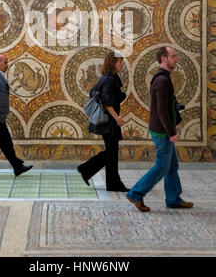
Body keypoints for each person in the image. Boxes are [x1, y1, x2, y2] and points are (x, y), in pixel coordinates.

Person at [126, 46, 194, 212]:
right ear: (164, 58)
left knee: (171, 165)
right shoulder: (162, 80)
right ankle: (136, 193)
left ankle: (173, 198)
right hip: (162, 131)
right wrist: (171, 132)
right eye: (173, 56)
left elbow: (163, 105)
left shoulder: (162, 78)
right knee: (162, 165)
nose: (176, 59)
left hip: (160, 129)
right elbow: (162, 110)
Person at [77, 51, 129, 192]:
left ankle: (108, 181)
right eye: (119, 61)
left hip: (107, 121)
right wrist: (117, 118)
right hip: (109, 122)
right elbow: (106, 102)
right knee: (112, 153)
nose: (122, 64)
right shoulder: (110, 80)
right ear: (113, 63)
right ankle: (88, 170)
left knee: (111, 152)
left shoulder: (106, 78)